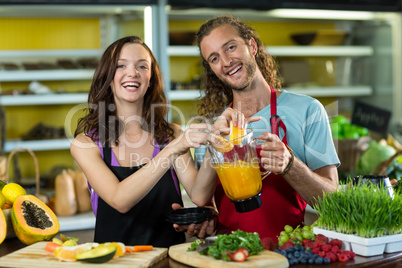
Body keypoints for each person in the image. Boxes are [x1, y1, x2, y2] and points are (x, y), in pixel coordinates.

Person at [174, 15, 340, 242]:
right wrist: (205, 219)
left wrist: (291, 165)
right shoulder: (215, 128)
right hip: (230, 255)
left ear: (252, 45)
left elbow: (332, 203)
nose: (225, 61)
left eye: (230, 47)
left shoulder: (307, 111)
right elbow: (206, 203)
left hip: (290, 254)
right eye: (214, 58)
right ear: (212, 69)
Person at [70, 36, 213, 247]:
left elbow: (200, 196)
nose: (132, 72)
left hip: (169, 259)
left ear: (151, 79)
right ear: (107, 78)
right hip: (115, 262)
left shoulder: (170, 134)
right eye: (121, 65)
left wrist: (217, 145)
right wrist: (171, 150)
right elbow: (120, 200)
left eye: (142, 66)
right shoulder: (86, 144)